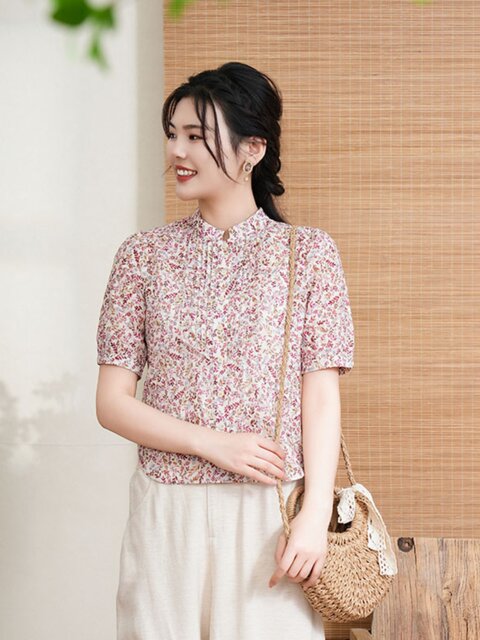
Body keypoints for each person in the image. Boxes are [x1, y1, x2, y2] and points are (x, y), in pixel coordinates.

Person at [95, 61, 355, 640]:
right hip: (166, 507)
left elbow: (321, 399)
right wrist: (212, 443)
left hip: (270, 513)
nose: (177, 151)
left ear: (252, 149)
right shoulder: (142, 256)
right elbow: (111, 403)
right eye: (173, 134)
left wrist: (315, 513)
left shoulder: (309, 255)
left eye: (196, 136)